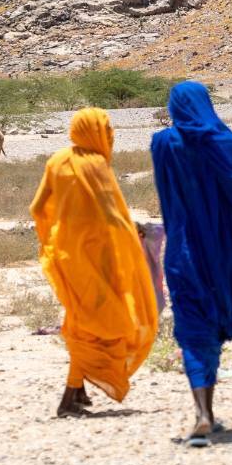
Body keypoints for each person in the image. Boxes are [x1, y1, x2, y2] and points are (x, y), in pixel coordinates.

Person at [150, 81, 232, 446]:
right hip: (219, 252)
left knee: (190, 325)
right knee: (214, 319)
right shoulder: (226, 143)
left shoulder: (163, 144)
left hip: (182, 250)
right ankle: (208, 413)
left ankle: (203, 413)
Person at [31, 107, 158, 417]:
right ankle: (70, 397)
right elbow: (112, 216)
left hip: (66, 257)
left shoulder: (57, 161)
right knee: (101, 323)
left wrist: (53, 237)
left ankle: (77, 391)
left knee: (81, 318)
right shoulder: (96, 165)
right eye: (107, 129)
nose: (110, 135)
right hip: (99, 258)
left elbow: (38, 207)